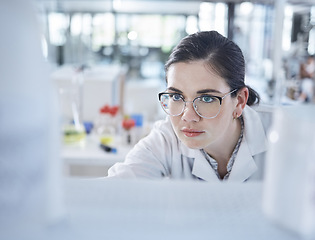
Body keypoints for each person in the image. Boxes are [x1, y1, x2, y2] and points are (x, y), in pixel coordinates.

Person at [108, 31, 268, 182]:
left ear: (239, 101)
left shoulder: (281, 135)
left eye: (206, 99)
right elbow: (116, 188)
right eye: (176, 97)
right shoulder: (167, 139)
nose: (188, 116)